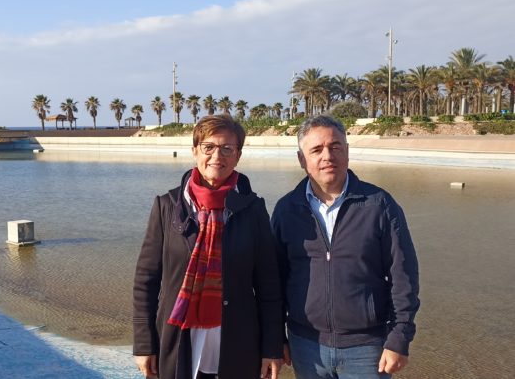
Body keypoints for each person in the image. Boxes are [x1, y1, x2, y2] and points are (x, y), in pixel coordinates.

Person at [133, 115, 284, 379]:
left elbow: (268, 286)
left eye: (227, 148)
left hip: (237, 342)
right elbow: (146, 280)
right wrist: (144, 344)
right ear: (195, 151)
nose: (217, 155)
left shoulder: (253, 209)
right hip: (177, 338)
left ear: (237, 156)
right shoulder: (167, 206)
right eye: (209, 147)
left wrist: (271, 348)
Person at [271, 115, 420, 378]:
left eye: (336, 146)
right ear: (301, 159)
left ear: (347, 152)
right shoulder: (287, 209)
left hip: (367, 348)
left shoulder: (379, 204)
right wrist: (275, 337)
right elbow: (274, 280)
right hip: (307, 347)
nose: (327, 155)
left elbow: (403, 275)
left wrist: (399, 338)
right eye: (316, 150)